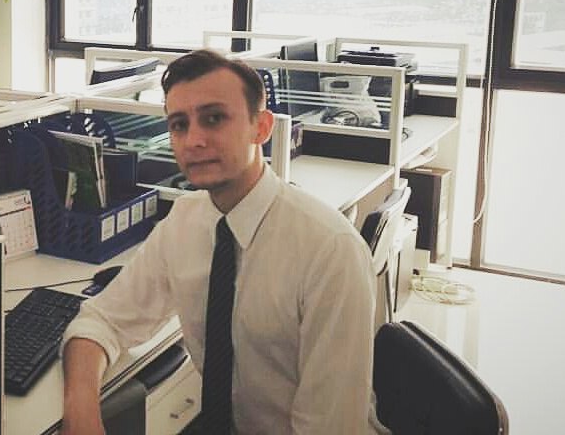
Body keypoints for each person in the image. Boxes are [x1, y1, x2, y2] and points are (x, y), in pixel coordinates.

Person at [59, 49, 381, 435]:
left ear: (261, 127)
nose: (193, 140)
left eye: (214, 118)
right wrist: (81, 411)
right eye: (179, 124)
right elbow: (102, 320)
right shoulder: (185, 222)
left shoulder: (329, 250)